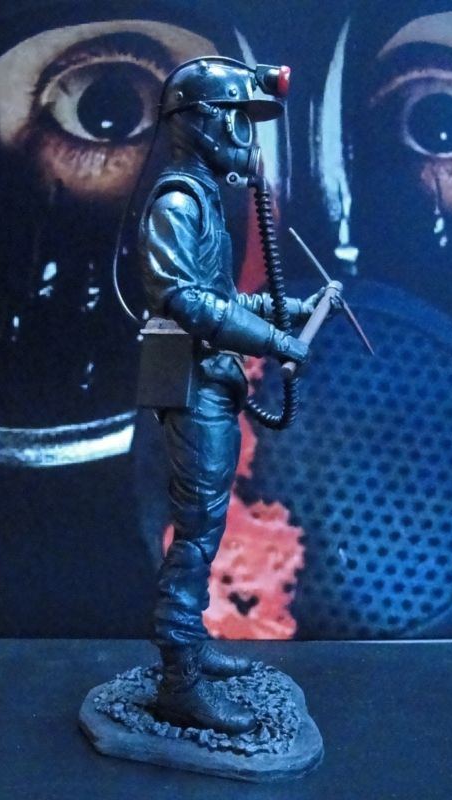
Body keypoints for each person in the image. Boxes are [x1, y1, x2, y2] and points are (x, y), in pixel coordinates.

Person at [138, 57, 324, 733]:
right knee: (195, 531)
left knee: (207, 526)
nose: (245, 136)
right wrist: (273, 341)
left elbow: (217, 298)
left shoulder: (204, 198)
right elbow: (185, 301)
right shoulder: (178, 202)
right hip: (192, 386)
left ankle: (190, 649)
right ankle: (178, 679)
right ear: (201, 122)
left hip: (210, 379)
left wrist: (281, 311)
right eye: (237, 120)